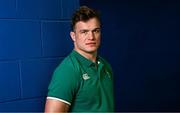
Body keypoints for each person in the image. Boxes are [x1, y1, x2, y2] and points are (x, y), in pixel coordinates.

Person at [44, 6, 114, 112]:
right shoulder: (67, 71)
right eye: (84, 32)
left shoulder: (106, 66)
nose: (91, 37)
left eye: (96, 31)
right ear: (73, 36)